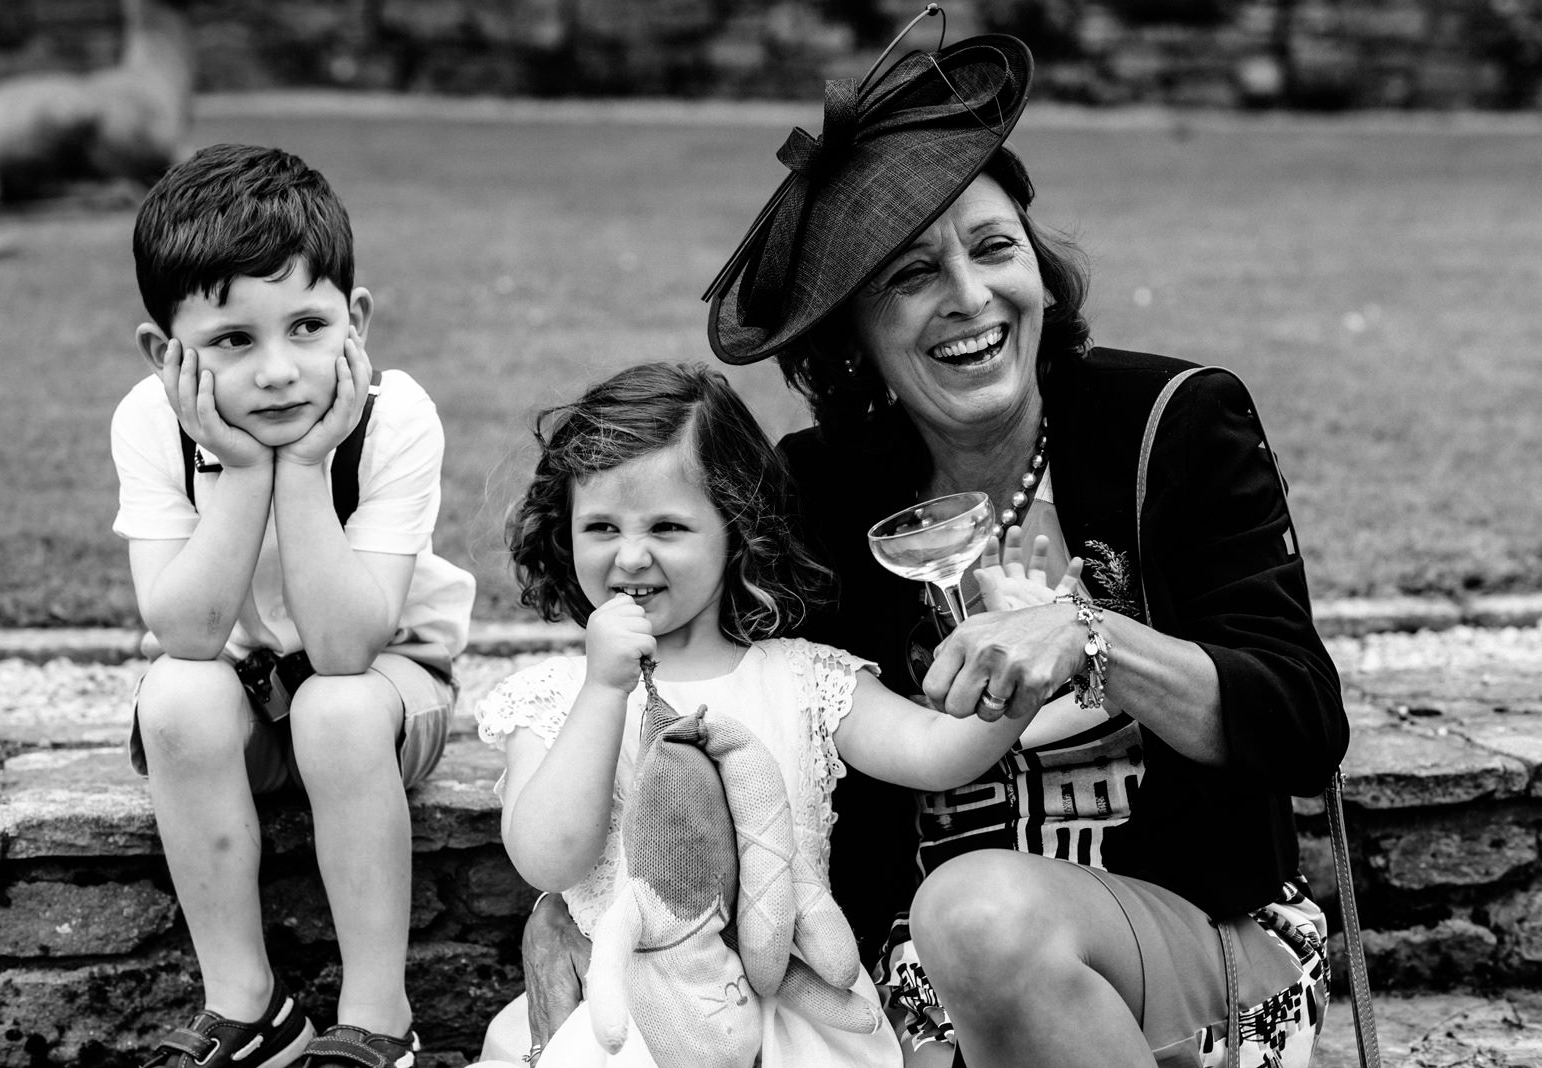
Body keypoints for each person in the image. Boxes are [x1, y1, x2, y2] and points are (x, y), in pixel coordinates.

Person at [528, 19, 1349, 1068]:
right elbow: (741, 697)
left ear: (1040, 272)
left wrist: (1092, 640)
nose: (969, 297)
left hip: (1206, 954)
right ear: (856, 333)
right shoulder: (820, 486)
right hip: (917, 989)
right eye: (912, 275)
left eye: (994, 248)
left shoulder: (1173, 422)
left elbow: (1301, 724)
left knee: (977, 915)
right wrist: (587, 902)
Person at [473, 361, 1092, 1068]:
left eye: (669, 526)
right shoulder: (555, 696)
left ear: (735, 526)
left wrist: (1015, 673)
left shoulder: (802, 676)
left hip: (797, 1027)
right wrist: (601, 692)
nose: (631, 554)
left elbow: (933, 750)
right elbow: (546, 857)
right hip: (620, 1026)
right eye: (602, 526)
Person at [111, 143, 476, 1068]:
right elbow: (187, 632)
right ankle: (250, 1008)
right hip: (246, 685)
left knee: (337, 704)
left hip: (385, 687)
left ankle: (378, 1021)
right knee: (176, 697)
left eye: (305, 327)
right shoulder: (149, 422)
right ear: (166, 355)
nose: (278, 371)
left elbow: (352, 647)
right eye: (234, 340)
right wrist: (237, 470)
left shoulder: (395, 418)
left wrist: (308, 467)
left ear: (355, 320)